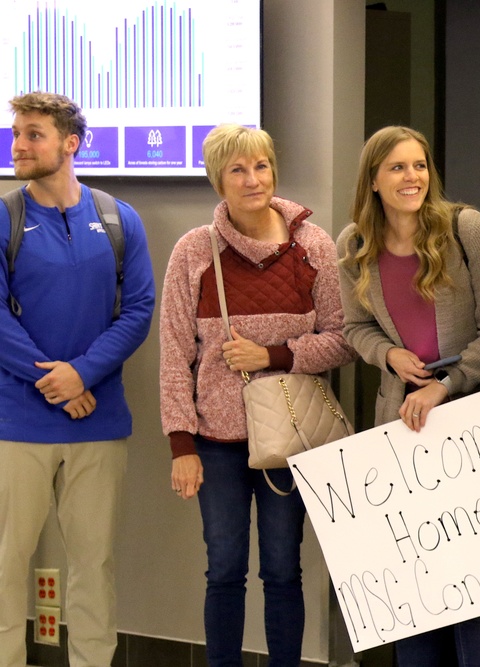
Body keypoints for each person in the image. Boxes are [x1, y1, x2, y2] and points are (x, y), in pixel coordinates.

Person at [336, 125, 480, 667]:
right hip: (405, 426)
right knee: (415, 588)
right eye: (398, 167)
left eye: (420, 165)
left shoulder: (463, 227)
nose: (413, 177)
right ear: (373, 179)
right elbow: (354, 326)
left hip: (477, 422)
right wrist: (389, 355)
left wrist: (446, 385)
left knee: (478, 588)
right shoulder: (353, 243)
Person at [159, 123, 355, 666]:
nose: (253, 180)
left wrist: (270, 356)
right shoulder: (194, 251)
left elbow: (342, 340)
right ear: (217, 181)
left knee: (282, 570)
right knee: (223, 570)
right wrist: (182, 445)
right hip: (216, 443)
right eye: (237, 170)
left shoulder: (311, 244)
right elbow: (174, 353)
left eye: (261, 166)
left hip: (289, 438)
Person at [0, 91, 156, 666]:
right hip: (15, 424)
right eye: (16, 133)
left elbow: (138, 310)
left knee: (94, 567)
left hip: (99, 422)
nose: (19, 144)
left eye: (33, 134)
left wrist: (83, 374)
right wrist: (55, 382)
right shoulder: (4, 217)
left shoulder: (118, 219)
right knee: (4, 567)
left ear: (70, 144)